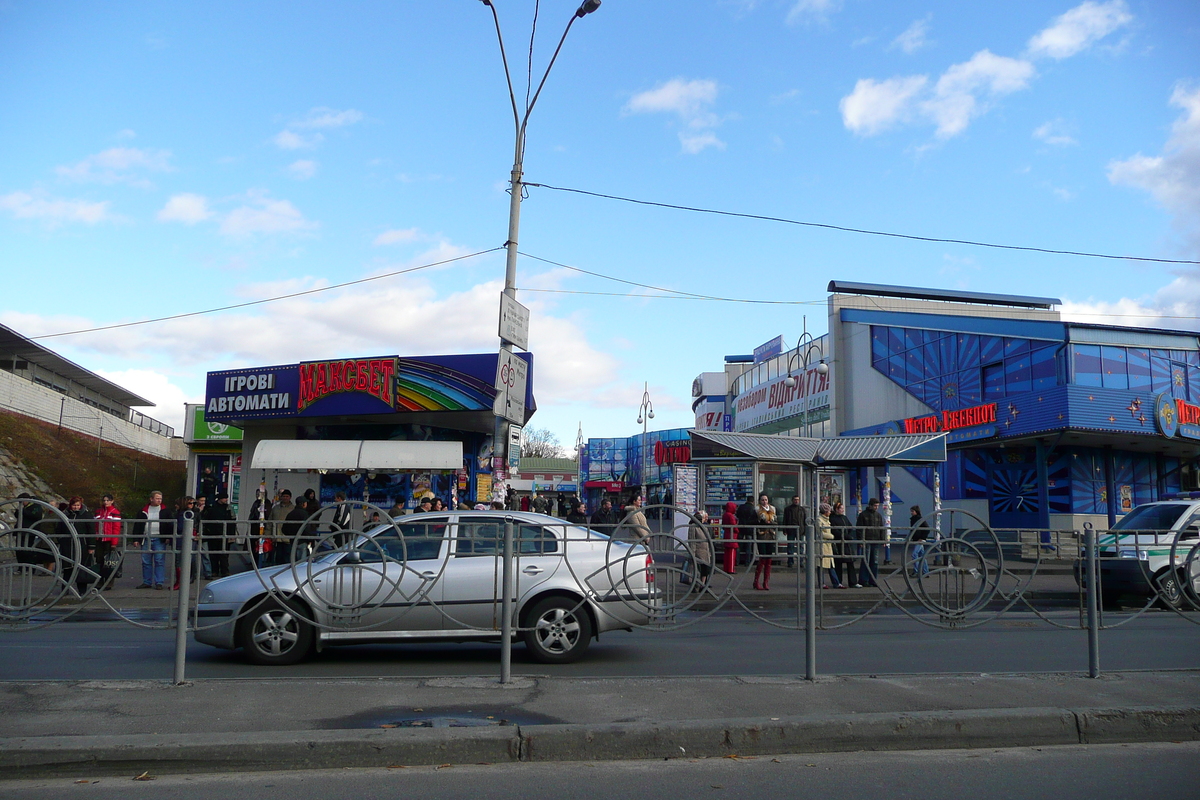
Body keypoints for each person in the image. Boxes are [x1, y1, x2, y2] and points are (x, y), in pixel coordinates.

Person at [132, 490, 172, 590]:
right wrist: (136, 539)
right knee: (146, 561)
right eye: (157, 498)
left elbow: (169, 525)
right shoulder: (143, 510)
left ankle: (159, 582)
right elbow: (137, 525)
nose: (159, 500)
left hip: (159, 538)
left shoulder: (166, 510)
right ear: (151, 499)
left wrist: (168, 537)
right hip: (146, 538)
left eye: (160, 498)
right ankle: (147, 581)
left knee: (159, 560)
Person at [58, 496, 93, 596]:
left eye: (78, 505)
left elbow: (91, 530)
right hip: (68, 545)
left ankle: (82, 590)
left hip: (82, 544)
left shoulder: (86, 515)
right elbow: (59, 528)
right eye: (74, 505)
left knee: (81, 569)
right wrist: (61, 540)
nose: (76, 507)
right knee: (68, 569)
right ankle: (65, 590)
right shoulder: (65, 515)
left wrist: (91, 546)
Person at [93, 494, 122, 588]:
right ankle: (100, 580)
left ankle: (109, 581)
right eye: (104, 500)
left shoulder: (115, 512)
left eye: (108, 500)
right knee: (99, 560)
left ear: (112, 501)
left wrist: (114, 543)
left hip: (109, 540)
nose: (106, 502)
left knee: (109, 561)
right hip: (99, 539)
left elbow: (116, 529)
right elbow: (94, 526)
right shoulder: (98, 512)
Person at [857, 498, 886, 588]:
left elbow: (881, 527)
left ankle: (873, 580)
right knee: (866, 561)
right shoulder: (863, 515)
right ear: (870, 505)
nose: (876, 507)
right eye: (875, 506)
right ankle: (864, 580)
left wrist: (883, 539)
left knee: (874, 562)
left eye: (877, 506)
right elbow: (859, 528)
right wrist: (861, 540)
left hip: (875, 540)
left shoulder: (878, 515)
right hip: (866, 540)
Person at [172, 496, 201, 589]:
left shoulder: (183, 514)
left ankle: (180, 582)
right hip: (189, 539)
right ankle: (184, 581)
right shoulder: (190, 513)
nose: (192, 505)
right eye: (190, 503)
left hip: (183, 540)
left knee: (180, 561)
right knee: (187, 560)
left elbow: (180, 527)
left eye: (193, 503)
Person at [205, 492, 236, 578]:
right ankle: (216, 570)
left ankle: (224, 571)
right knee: (214, 553)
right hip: (214, 533)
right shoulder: (212, 508)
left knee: (224, 554)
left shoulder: (228, 508)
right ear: (220, 499)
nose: (226, 500)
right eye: (224, 498)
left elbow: (233, 522)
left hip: (224, 533)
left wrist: (231, 534)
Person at [829, 501, 859, 588]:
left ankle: (853, 582)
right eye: (841, 508)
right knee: (838, 563)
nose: (842, 510)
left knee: (850, 563)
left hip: (847, 544)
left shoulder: (844, 518)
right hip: (838, 543)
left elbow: (850, 526)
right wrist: (845, 536)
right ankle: (838, 582)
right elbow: (834, 531)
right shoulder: (833, 519)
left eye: (842, 508)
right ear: (836, 509)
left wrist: (848, 535)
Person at [753, 493, 777, 591]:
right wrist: (762, 522)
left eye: (766, 500)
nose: (764, 501)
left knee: (769, 559)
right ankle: (756, 581)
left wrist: (771, 523)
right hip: (762, 535)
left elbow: (776, 521)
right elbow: (754, 521)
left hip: (770, 535)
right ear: (759, 501)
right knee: (762, 558)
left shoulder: (772, 509)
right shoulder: (757, 510)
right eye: (762, 500)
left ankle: (766, 582)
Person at [686, 509, 713, 589]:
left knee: (705, 570)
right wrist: (692, 553)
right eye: (705, 517)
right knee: (697, 570)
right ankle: (696, 585)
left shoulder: (705, 526)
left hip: (706, 551)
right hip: (698, 552)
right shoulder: (693, 527)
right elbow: (692, 541)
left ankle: (703, 585)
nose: (706, 519)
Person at [268, 489, 296, 566]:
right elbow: (270, 521)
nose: (285, 498)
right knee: (278, 558)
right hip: (277, 538)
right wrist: (268, 534)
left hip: (288, 538)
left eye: (287, 496)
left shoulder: (293, 508)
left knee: (287, 558)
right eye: (283, 496)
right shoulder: (275, 508)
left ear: (290, 497)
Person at [818, 503, 840, 589]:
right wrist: (831, 536)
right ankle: (822, 583)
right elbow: (820, 533)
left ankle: (836, 582)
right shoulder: (819, 520)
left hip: (828, 545)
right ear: (825, 511)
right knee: (821, 565)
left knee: (831, 565)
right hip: (822, 545)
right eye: (829, 511)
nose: (830, 512)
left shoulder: (827, 520)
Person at [782, 495, 807, 569]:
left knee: (801, 546)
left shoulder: (802, 509)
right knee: (790, 546)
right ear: (792, 500)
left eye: (797, 500)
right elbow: (785, 520)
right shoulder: (788, 509)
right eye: (795, 499)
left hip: (800, 530)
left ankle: (801, 562)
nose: (796, 501)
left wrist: (805, 530)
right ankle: (790, 561)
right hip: (790, 529)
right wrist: (784, 529)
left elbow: (805, 520)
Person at [735, 496, 758, 568]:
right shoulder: (753, 509)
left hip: (741, 528)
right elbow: (755, 519)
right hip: (749, 529)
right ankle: (747, 562)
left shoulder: (741, 507)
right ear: (753, 501)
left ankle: (737, 561)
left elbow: (737, 515)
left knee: (739, 546)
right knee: (749, 546)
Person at [909, 505, 930, 577]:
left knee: (914, 554)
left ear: (916, 512)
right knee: (922, 555)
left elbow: (927, 528)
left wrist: (922, 538)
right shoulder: (913, 519)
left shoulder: (920, 519)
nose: (911, 513)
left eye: (912, 511)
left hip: (919, 540)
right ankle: (925, 571)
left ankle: (917, 571)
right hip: (917, 539)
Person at [721, 501, 739, 574]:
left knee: (727, 553)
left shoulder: (725, 515)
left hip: (727, 534)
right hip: (732, 536)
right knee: (732, 553)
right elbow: (733, 526)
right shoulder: (731, 516)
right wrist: (738, 530)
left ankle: (726, 568)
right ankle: (731, 569)